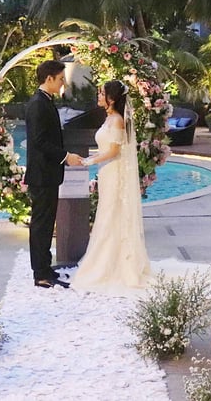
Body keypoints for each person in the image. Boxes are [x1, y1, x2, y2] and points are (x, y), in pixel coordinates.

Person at [72, 80, 151, 294]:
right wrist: (91, 158)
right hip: (107, 171)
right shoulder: (109, 118)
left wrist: (89, 161)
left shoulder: (117, 120)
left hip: (115, 171)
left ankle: (113, 264)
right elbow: (106, 148)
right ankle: (105, 260)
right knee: (107, 212)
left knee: (111, 213)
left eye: (102, 93)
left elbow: (114, 151)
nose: (98, 96)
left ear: (112, 99)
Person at [25, 60, 83, 289]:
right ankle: (40, 273)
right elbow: (39, 141)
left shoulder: (45, 101)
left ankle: (45, 268)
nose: (63, 84)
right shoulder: (37, 104)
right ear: (48, 78)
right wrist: (65, 156)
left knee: (47, 224)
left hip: (47, 174)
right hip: (42, 175)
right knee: (41, 225)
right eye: (60, 79)